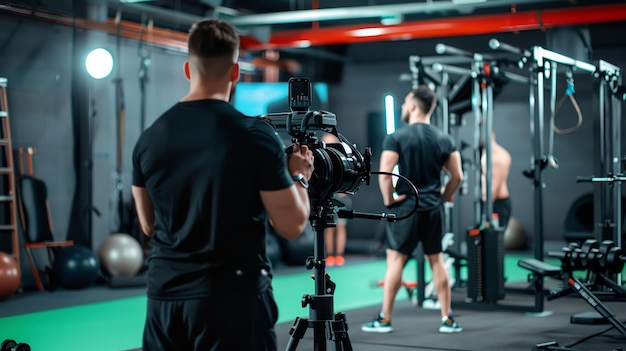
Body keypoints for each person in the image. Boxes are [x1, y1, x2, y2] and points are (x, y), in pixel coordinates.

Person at [131, 19, 314, 351]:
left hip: (164, 302)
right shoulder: (255, 135)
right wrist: (300, 176)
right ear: (235, 72)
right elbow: (292, 225)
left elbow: (148, 224)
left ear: (188, 69)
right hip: (232, 301)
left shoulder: (149, 138)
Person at [361, 85, 463, 334]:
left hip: (406, 207)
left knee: (395, 261)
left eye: (406, 103)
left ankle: (384, 319)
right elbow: (457, 176)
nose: (403, 107)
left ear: (415, 106)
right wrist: (444, 198)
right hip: (432, 208)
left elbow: (385, 174)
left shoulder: (397, 137)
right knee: (437, 260)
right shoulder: (444, 138)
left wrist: (389, 201)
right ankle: (447, 319)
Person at [321, 133, 351, 266]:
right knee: (328, 228)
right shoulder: (321, 160)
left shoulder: (343, 161)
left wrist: (343, 191)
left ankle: (339, 255)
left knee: (340, 227)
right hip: (326, 196)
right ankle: (330, 256)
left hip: (340, 197)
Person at [482, 131, 512, 230]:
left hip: (496, 204)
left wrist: (484, 210)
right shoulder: (485, 153)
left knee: (494, 242)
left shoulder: (498, 157)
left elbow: (495, 188)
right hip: (491, 202)